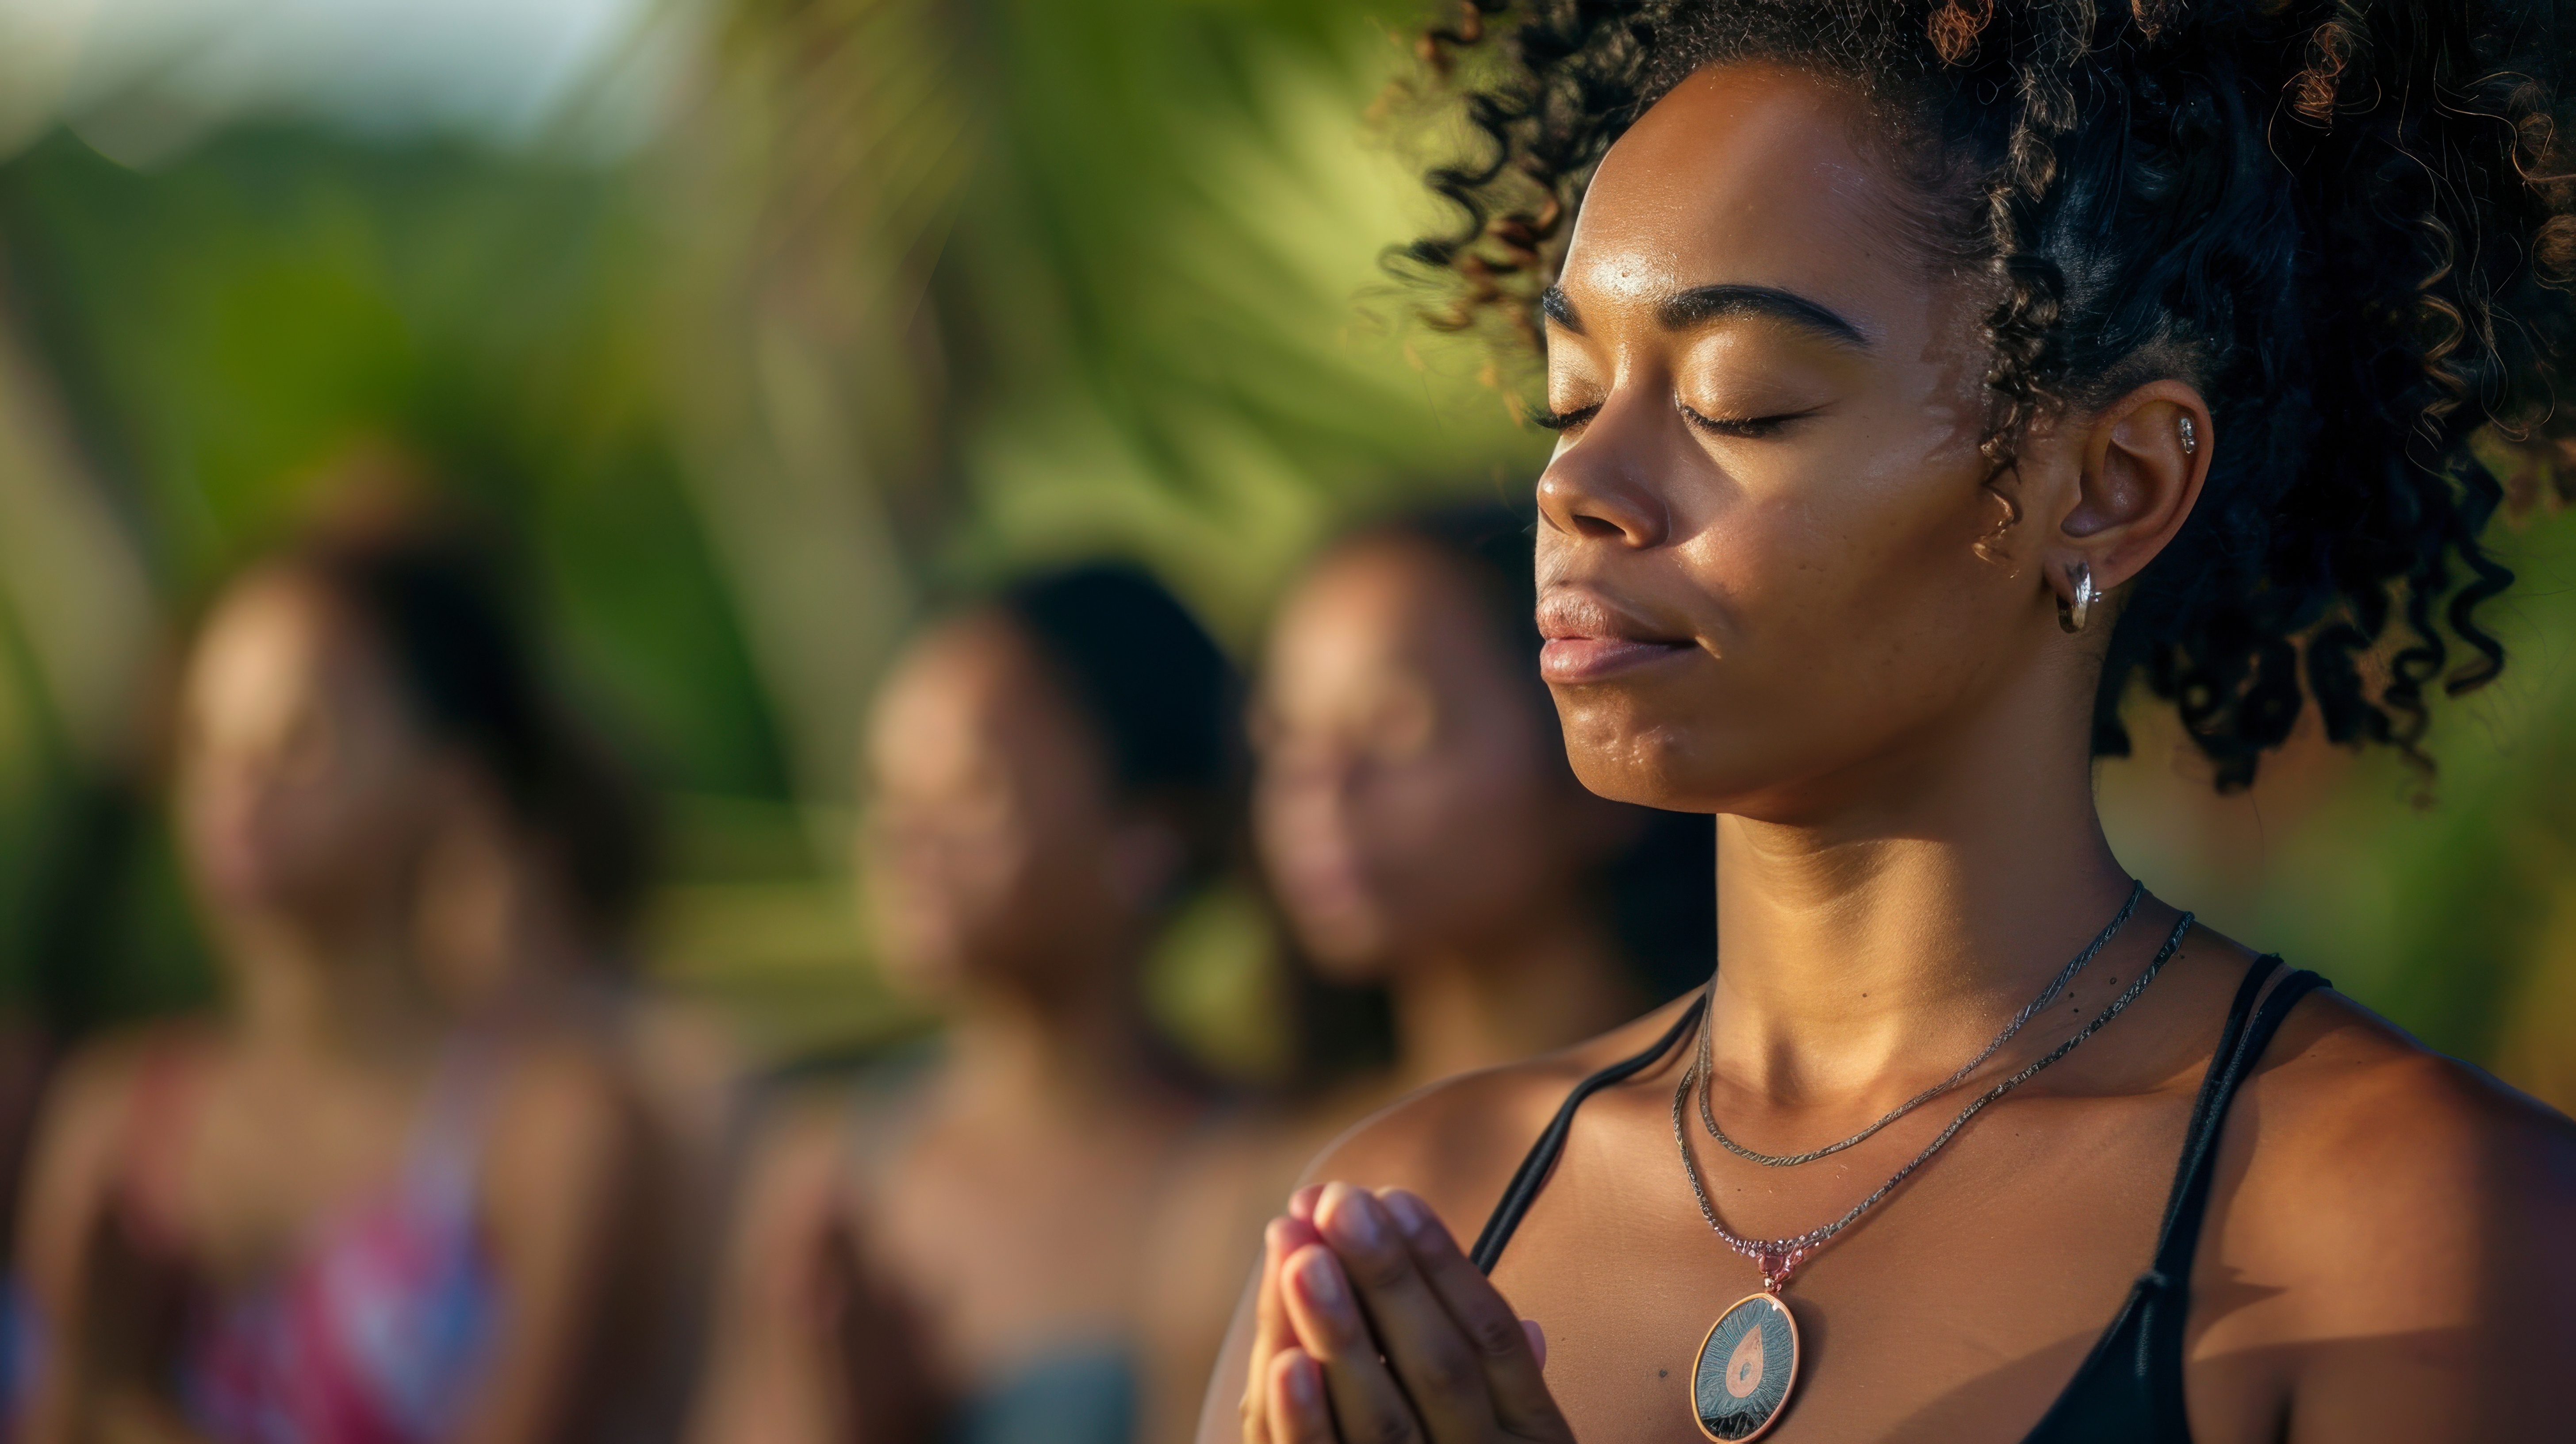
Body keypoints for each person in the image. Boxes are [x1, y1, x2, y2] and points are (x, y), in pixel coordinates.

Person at [1209, 4, 2576, 1443]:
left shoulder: (2409, 1226)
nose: (1574, 482)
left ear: (2107, 485)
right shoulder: (1413, 1217)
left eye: (1741, 405)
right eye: (1571, 392)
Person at [14, 522, 651, 1444]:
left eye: (300, 737)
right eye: (206, 740)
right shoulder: (115, 1121)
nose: (241, 780)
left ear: (451, 781)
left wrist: (121, 1402)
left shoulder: (549, 1131)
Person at [1140, 506, 1710, 1444]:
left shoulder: (1750, 1159)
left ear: (1595, 735)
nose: (1318, 788)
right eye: (1283, 739)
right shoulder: (1250, 1200)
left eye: (1393, 726)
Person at [691, 564, 1240, 1444]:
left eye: (971, 791)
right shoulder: (831, 1171)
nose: (905, 837)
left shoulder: (1258, 1176)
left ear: (1149, 831)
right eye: (887, 790)